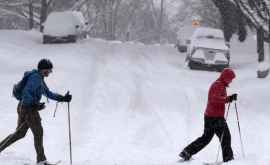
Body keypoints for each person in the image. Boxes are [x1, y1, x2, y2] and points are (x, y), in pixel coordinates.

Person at [0, 59, 72, 165]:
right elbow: (26, 92)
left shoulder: (39, 78)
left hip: (24, 107)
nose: (50, 72)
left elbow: (47, 93)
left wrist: (62, 98)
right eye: (49, 70)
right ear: (43, 70)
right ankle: (41, 161)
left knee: (19, 134)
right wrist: (34, 104)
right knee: (38, 132)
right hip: (28, 110)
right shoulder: (35, 78)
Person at [179, 68, 237, 163]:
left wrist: (228, 98)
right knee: (225, 137)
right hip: (215, 117)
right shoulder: (217, 85)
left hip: (212, 116)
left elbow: (219, 98)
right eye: (231, 78)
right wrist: (228, 99)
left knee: (207, 138)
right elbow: (215, 99)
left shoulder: (220, 85)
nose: (231, 80)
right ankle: (229, 160)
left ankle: (187, 152)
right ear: (226, 77)